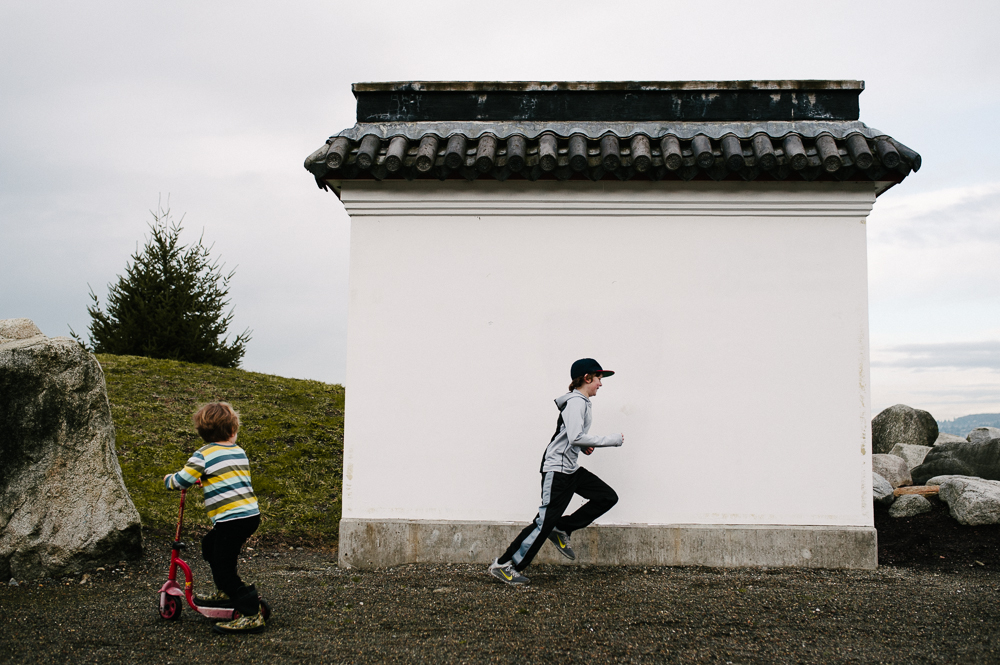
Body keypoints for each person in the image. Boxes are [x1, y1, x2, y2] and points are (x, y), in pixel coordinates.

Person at [489, 358, 623, 586]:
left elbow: (571, 436)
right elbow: (575, 436)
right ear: (586, 378)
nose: (601, 383)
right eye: (598, 378)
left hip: (570, 469)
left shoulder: (581, 402)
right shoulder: (576, 402)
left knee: (606, 497)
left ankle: (562, 527)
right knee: (543, 523)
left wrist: (582, 446)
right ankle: (504, 565)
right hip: (558, 470)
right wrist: (612, 440)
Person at [163, 401, 265, 634]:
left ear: (203, 433)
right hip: (249, 515)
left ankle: (251, 613)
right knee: (210, 545)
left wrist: (169, 480)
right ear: (232, 431)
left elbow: (181, 480)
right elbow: (227, 474)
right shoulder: (238, 451)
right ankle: (224, 591)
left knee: (223, 567)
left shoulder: (204, 454)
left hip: (232, 520)